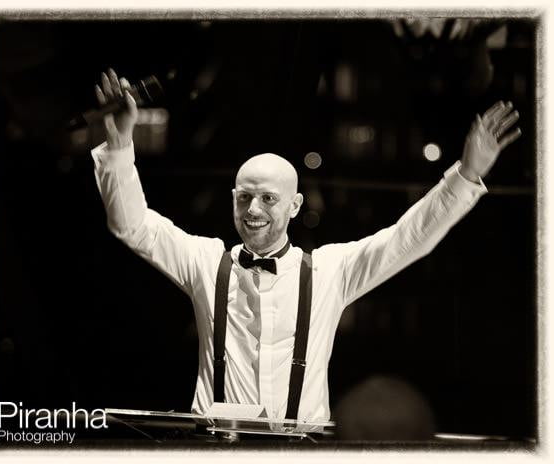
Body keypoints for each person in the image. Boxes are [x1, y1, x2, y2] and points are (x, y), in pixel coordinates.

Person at [91, 68, 521, 423]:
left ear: (295, 206)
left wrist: (466, 175)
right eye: (244, 196)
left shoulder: (328, 270)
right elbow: (133, 225)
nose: (253, 208)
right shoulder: (206, 261)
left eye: (268, 198)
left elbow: (407, 239)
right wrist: (119, 144)